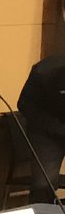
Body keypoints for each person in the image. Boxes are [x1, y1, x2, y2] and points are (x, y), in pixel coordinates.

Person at [17, 54, 65, 203]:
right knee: (43, 184)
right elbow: (25, 105)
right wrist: (57, 128)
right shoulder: (44, 71)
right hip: (46, 134)